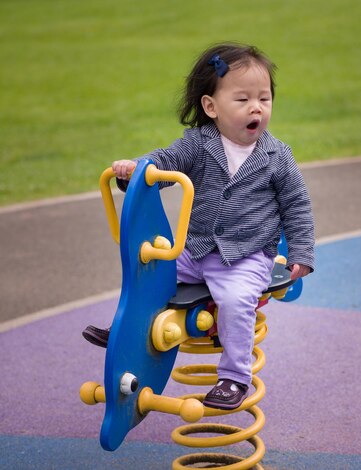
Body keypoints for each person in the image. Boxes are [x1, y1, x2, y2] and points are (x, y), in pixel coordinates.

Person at [82, 42, 315, 410]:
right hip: (195, 249)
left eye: (264, 99)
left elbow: (297, 206)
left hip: (246, 255)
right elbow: (166, 160)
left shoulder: (277, 156)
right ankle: (125, 333)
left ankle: (235, 378)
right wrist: (138, 170)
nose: (256, 107)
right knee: (150, 273)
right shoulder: (199, 144)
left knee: (238, 300)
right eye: (242, 100)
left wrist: (301, 252)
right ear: (211, 106)